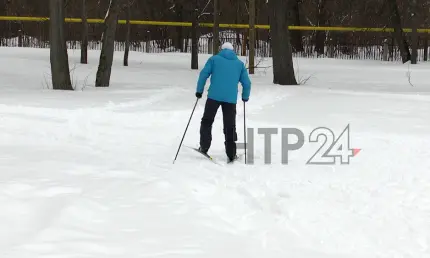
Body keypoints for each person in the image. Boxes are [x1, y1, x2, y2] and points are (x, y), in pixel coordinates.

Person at [195, 42, 251, 162]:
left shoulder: (214, 60)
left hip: (213, 96)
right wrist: (245, 96)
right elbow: (247, 83)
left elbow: (203, 74)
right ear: (233, 50)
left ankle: (204, 147)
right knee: (230, 126)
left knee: (207, 121)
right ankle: (231, 154)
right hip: (230, 99)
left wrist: (199, 91)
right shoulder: (239, 64)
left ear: (221, 49)